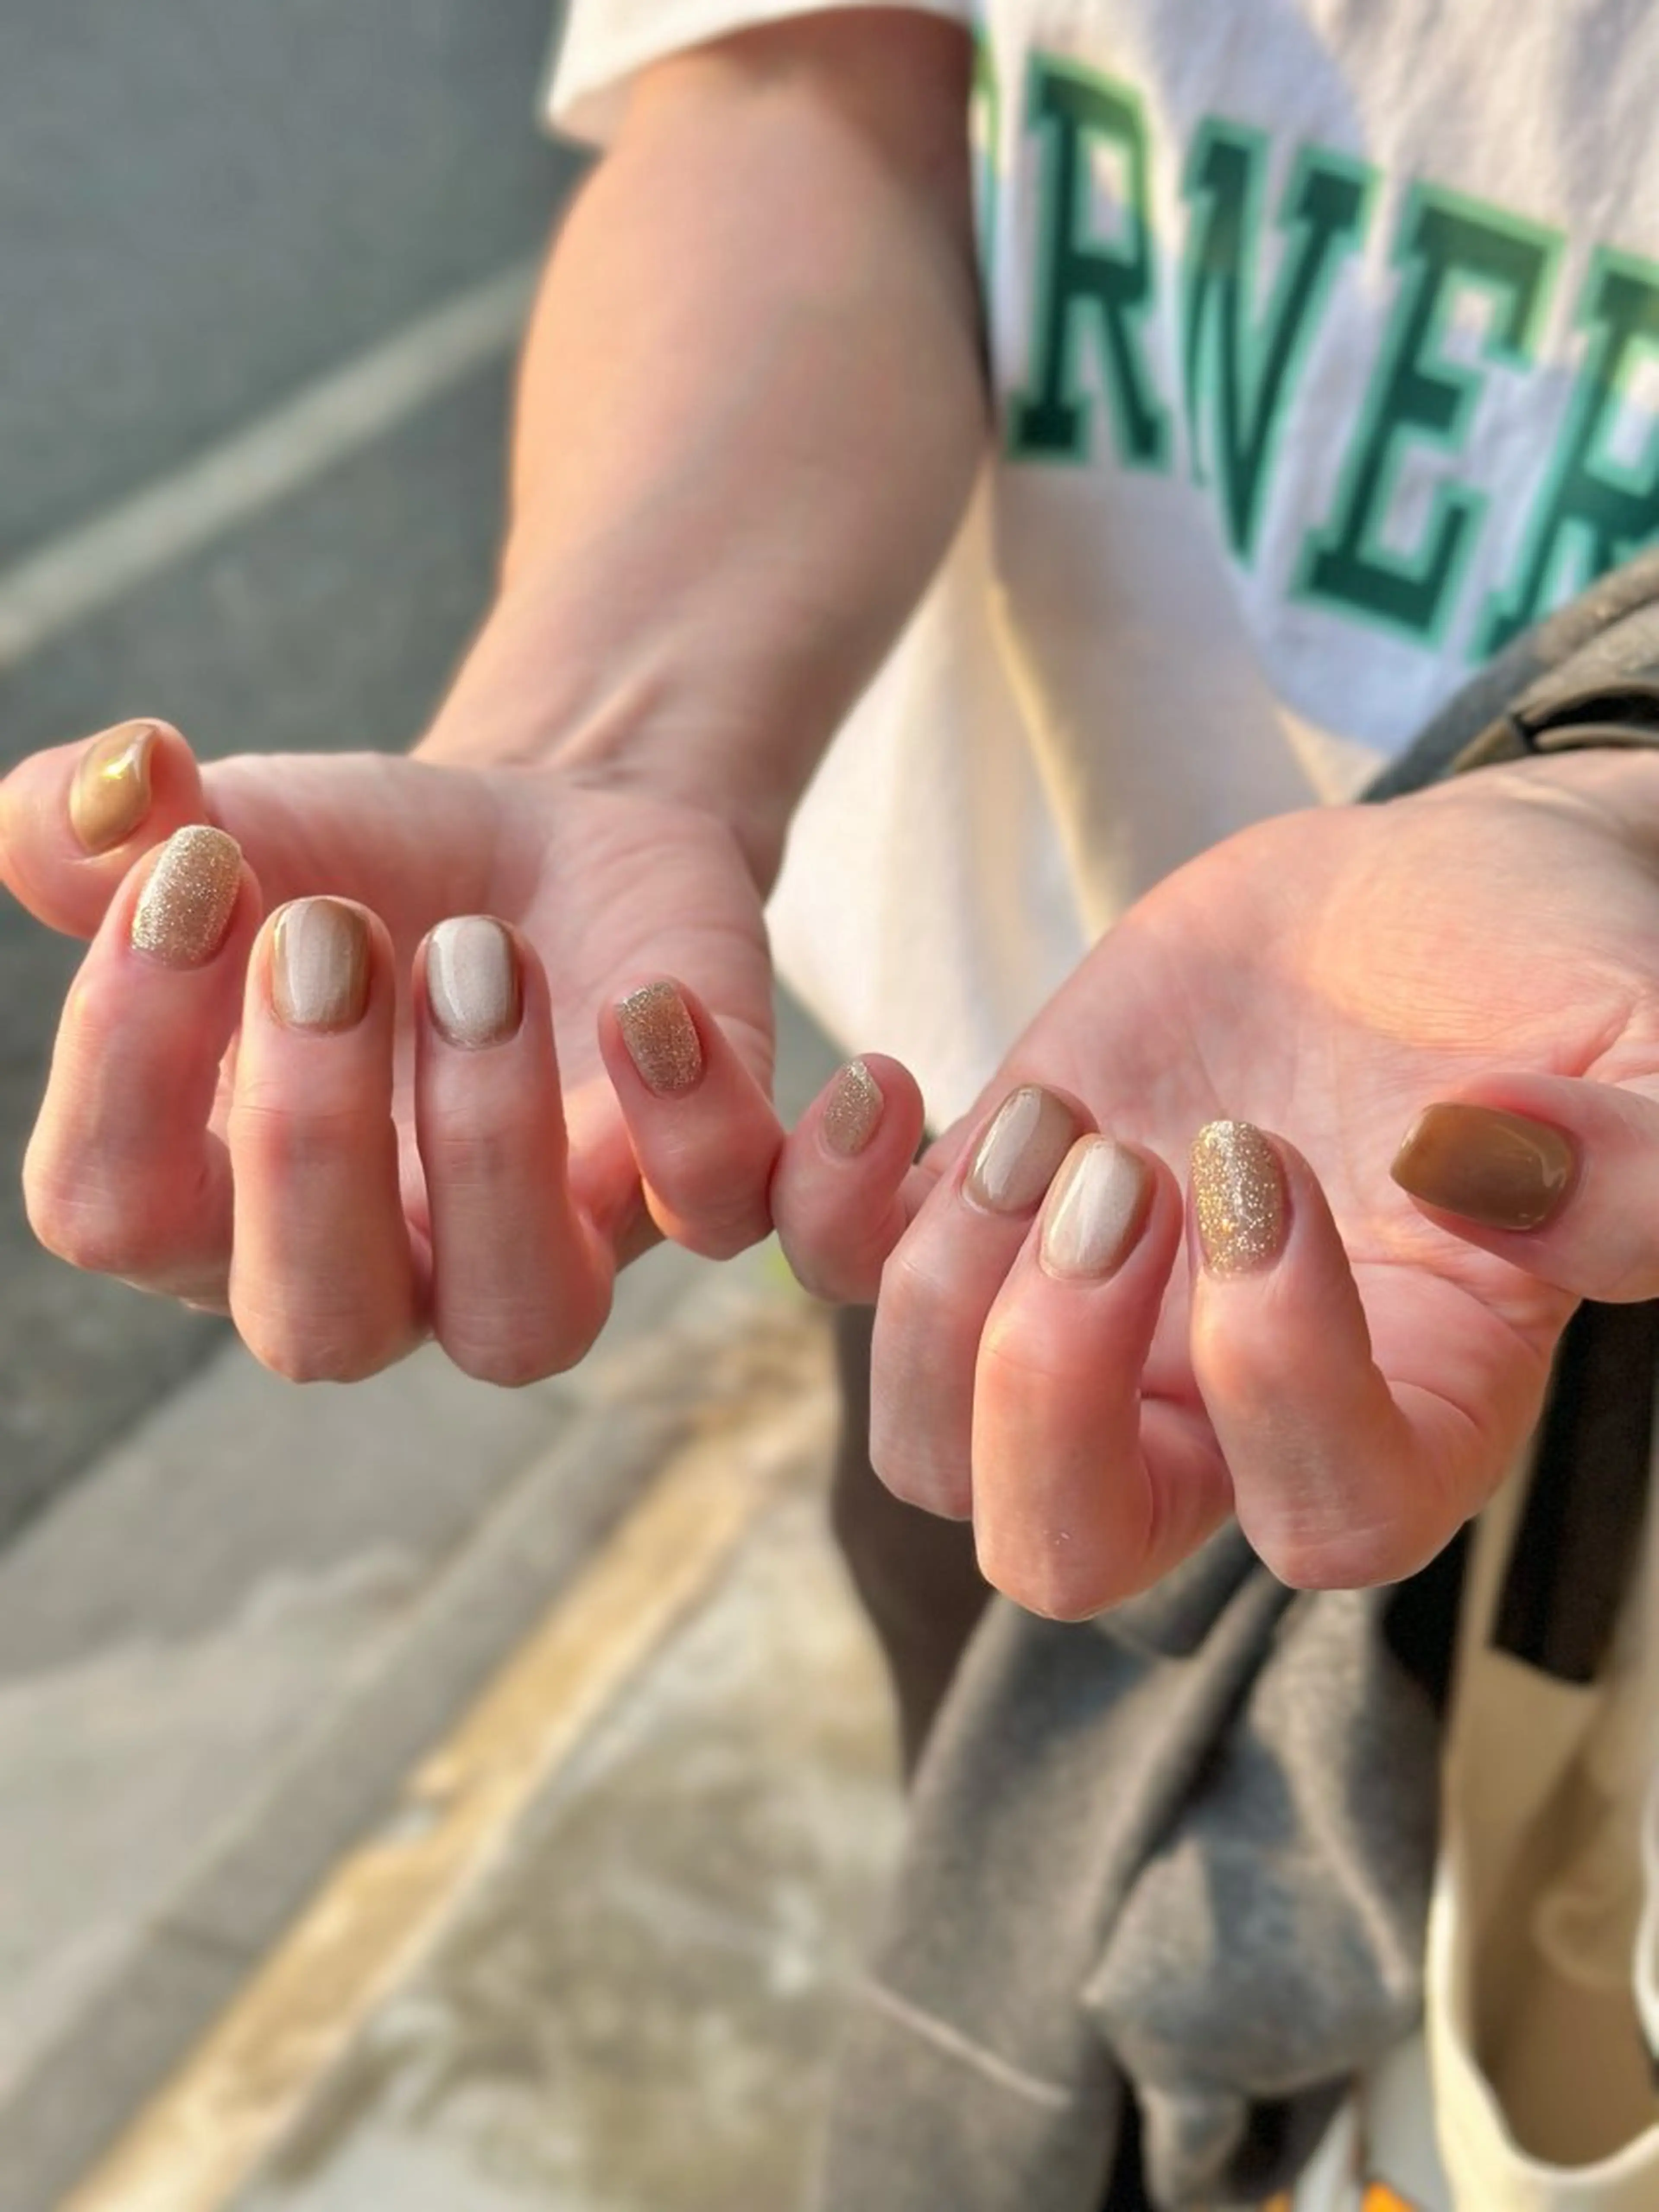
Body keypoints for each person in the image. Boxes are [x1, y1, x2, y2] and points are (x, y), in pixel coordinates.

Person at [5, 4, 1659, 2202]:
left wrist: (1619, 800)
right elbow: (802, 92)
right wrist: (604, 745)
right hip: (1010, 1259)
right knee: (1051, 2055)